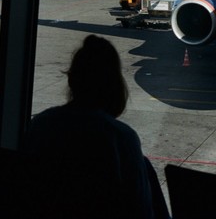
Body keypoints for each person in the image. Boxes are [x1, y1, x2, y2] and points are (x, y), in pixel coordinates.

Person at [25, 34, 168, 219]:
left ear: (71, 80)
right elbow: (141, 211)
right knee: (145, 167)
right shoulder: (120, 138)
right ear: (115, 86)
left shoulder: (40, 125)